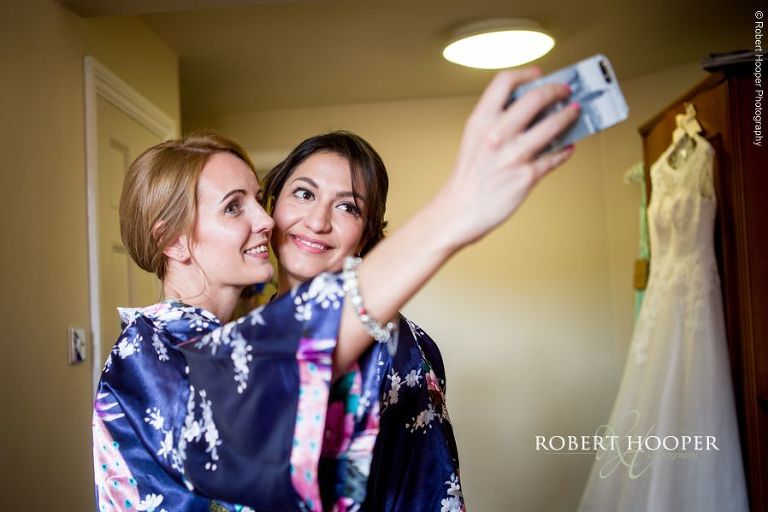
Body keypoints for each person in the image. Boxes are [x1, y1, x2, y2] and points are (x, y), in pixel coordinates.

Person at [92, 68, 578, 511]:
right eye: (234, 207)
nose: (266, 222)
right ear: (172, 239)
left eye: (347, 207)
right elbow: (254, 380)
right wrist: (455, 211)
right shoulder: (154, 351)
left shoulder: (393, 347)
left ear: (368, 232)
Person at [260, 131, 464, 511]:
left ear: (367, 234)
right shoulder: (243, 335)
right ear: (272, 203)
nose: (317, 221)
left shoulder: (401, 349)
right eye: (304, 193)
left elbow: (431, 493)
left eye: (347, 207)